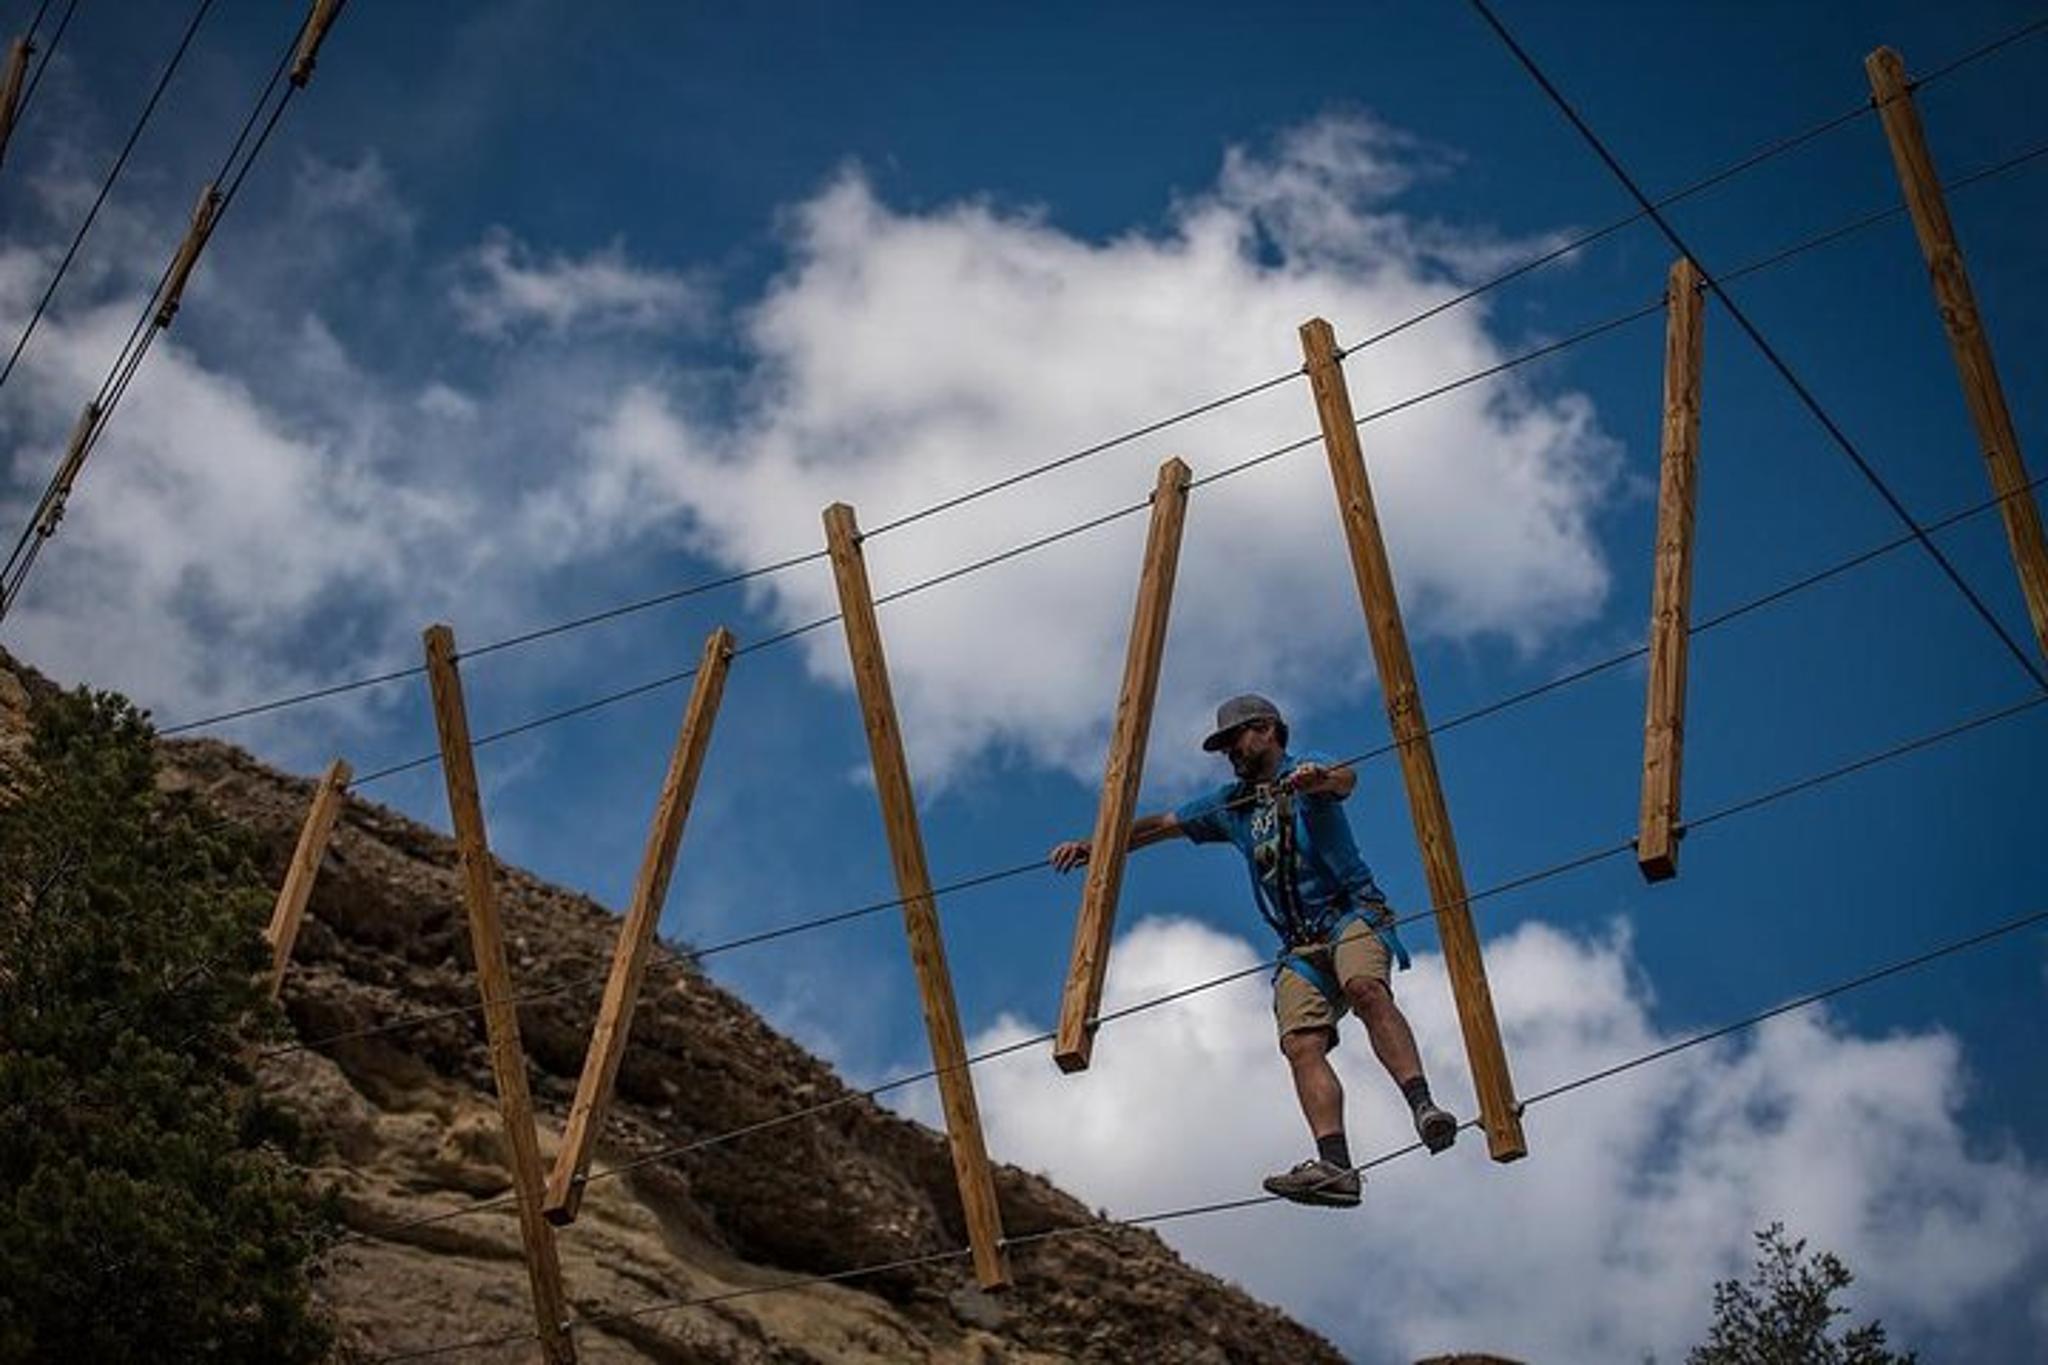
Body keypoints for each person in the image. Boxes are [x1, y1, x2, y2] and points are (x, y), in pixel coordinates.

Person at [1049, 693, 1457, 1208]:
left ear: (1267, 730)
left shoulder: (1305, 771)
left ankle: (1423, 1106)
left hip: (1351, 915)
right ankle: (1336, 1166)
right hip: (1299, 945)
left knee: (1365, 988)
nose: (1230, 753)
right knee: (1300, 1044)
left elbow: (1344, 780)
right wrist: (1097, 845)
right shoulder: (1232, 804)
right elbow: (1164, 825)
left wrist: (1318, 780)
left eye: (1235, 739)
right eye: (1224, 746)